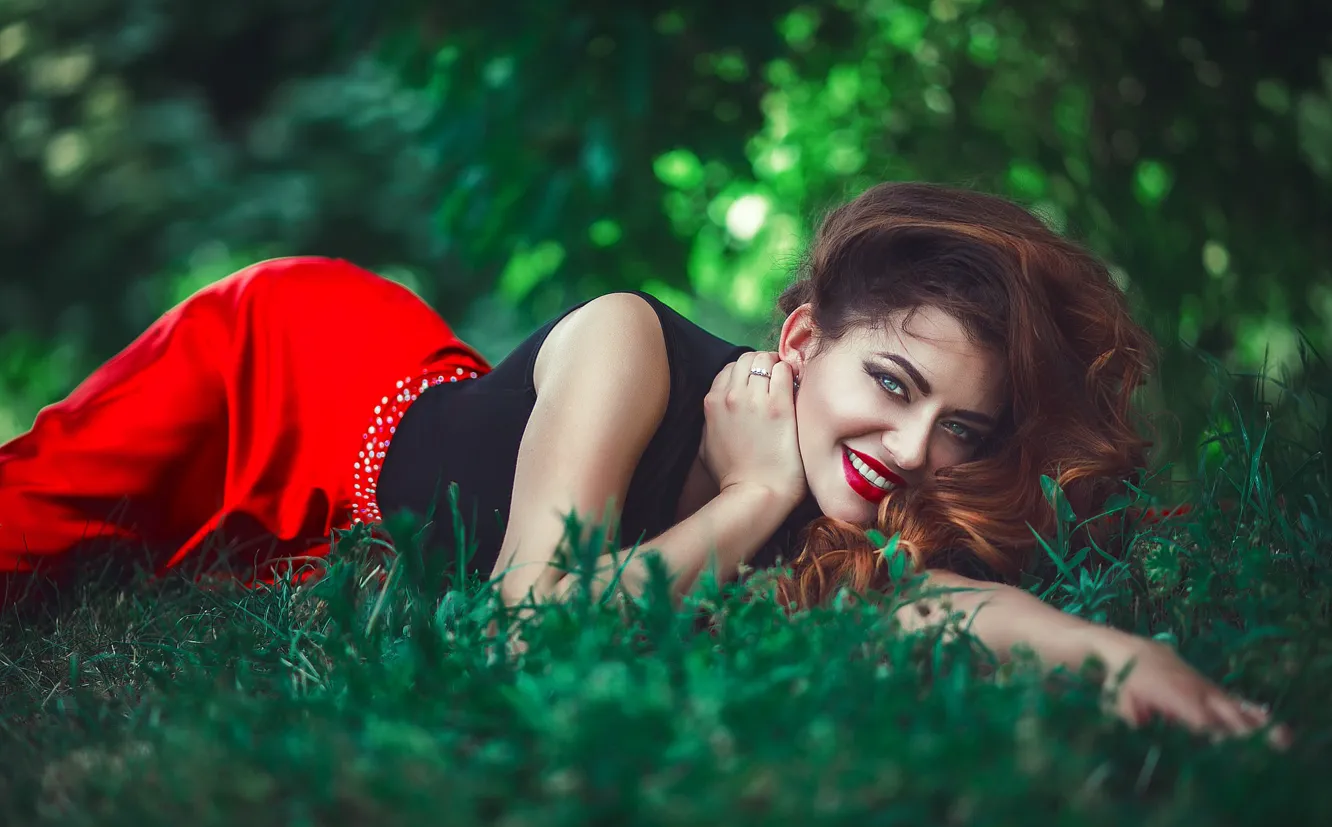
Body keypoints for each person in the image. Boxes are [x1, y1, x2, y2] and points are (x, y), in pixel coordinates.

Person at [0, 182, 1287, 745]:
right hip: (289, 374)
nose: (907, 454)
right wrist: (757, 495)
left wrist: (1121, 658)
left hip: (356, 511)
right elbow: (516, 632)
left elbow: (960, 611)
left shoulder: (858, 522)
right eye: (889, 387)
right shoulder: (630, 344)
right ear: (802, 342)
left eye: (960, 430)